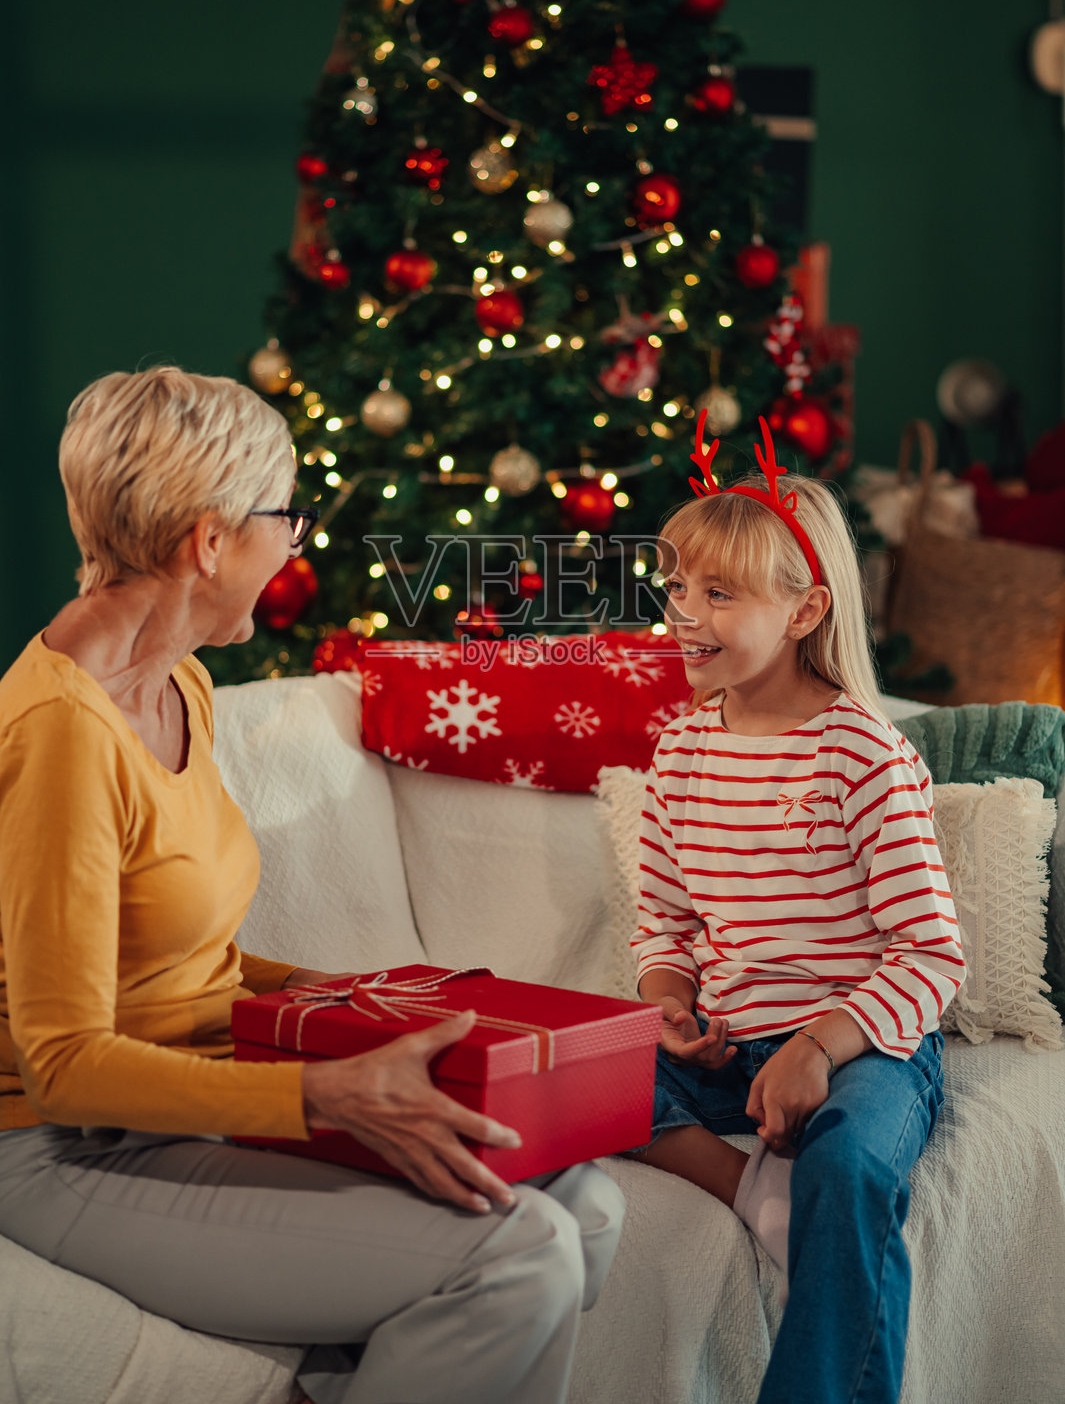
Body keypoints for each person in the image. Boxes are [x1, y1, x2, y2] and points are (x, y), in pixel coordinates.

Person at [0, 366, 624, 1404]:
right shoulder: (61, 734)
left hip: (190, 1107)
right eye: (285, 517)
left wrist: (361, 997)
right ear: (208, 540)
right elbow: (64, 1063)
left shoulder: (180, 679)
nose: (297, 543)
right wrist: (323, 1089)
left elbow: (185, 959)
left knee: (581, 1194)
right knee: (521, 1251)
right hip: (66, 1146)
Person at [631, 415, 965, 1404]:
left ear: (806, 608)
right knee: (567, 1075)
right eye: (676, 588)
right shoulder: (681, 749)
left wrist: (819, 1047)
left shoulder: (860, 752)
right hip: (730, 1047)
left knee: (855, 1165)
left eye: (717, 593)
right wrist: (667, 999)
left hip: (863, 1046)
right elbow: (665, 920)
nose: (683, 614)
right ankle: (751, 1189)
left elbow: (932, 954)